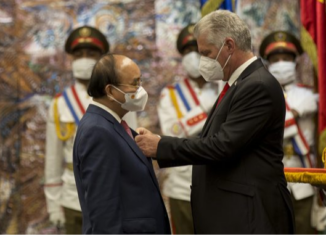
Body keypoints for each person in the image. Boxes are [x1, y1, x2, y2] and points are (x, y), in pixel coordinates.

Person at [135, 10, 295, 235]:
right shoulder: (239, 84)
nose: (203, 61)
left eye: (207, 53)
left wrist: (160, 145)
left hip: (250, 217)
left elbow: (222, 146)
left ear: (229, 45)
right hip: (235, 213)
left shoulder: (256, 85)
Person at [43, 26, 137, 234]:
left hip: (116, 195)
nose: (84, 59)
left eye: (91, 54)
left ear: (102, 58)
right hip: (73, 197)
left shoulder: (120, 97)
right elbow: (53, 159)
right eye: (78, 54)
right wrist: (53, 203)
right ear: (71, 58)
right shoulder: (60, 104)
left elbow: (133, 149)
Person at [72, 53, 171, 235]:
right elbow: (104, 211)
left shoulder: (113, 125)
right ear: (110, 91)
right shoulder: (98, 131)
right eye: (134, 83)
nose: (140, 90)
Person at [157, 23, 222, 235]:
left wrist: (190, 120)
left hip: (221, 181)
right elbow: (172, 133)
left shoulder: (225, 87)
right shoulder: (171, 94)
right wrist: (209, 110)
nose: (193, 56)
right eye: (187, 51)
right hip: (182, 185)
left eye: (197, 50)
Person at [260, 30, 318, 235]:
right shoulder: (257, 95)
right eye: (276, 59)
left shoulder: (310, 94)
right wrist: (293, 114)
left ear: (295, 62)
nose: (282, 63)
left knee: (304, 230)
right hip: (271, 179)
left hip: (305, 176)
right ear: (268, 64)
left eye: (286, 58)